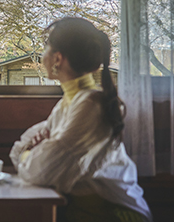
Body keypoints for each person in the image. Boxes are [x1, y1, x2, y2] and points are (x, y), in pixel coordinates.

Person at [9, 17, 153, 222]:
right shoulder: (68, 104)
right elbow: (18, 150)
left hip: (114, 214)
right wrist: (33, 152)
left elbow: (40, 171)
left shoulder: (91, 105)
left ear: (58, 58)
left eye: (46, 48)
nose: (42, 57)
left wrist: (32, 152)